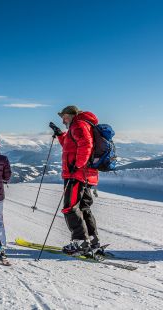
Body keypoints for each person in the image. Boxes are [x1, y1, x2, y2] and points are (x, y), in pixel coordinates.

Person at [49, 105, 101, 255]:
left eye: (64, 117)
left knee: (70, 207)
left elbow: (86, 145)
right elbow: (71, 145)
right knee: (84, 207)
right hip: (86, 174)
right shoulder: (83, 124)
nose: (63, 120)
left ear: (71, 115)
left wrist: (77, 165)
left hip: (76, 174)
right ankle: (93, 241)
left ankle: (80, 243)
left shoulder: (78, 124)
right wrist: (60, 134)